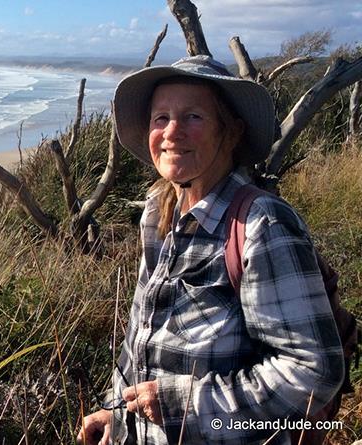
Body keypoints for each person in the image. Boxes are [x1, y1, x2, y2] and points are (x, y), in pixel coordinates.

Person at [77, 55, 344, 444]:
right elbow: (142, 335)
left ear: (231, 132)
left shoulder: (261, 224)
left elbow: (313, 370)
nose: (171, 132)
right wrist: (115, 412)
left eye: (193, 117)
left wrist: (185, 403)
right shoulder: (157, 213)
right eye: (160, 118)